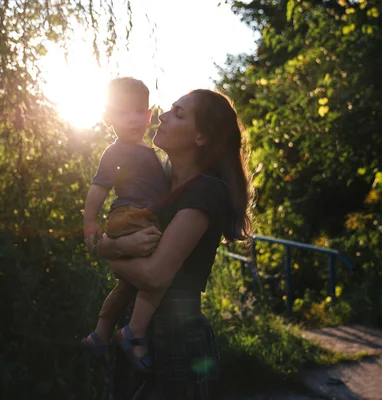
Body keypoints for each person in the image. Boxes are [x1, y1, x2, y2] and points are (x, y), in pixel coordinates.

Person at [96, 89, 252, 399]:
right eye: (170, 109)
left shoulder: (206, 192)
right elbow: (102, 240)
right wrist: (112, 248)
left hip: (178, 342)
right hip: (134, 332)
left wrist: (114, 255)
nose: (163, 116)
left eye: (179, 114)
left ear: (200, 138)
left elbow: (154, 275)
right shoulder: (157, 183)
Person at [81, 77, 170, 370]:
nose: (133, 119)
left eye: (138, 112)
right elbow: (98, 187)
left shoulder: (148, 151)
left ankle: (101, 333)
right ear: (108, 118)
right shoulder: (116, 151)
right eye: (123, 112)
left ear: (148, 115)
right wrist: (90, 220)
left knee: (130, 282)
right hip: (130, 215)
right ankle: (135, 333)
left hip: (141, 217)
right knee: (160, 269)